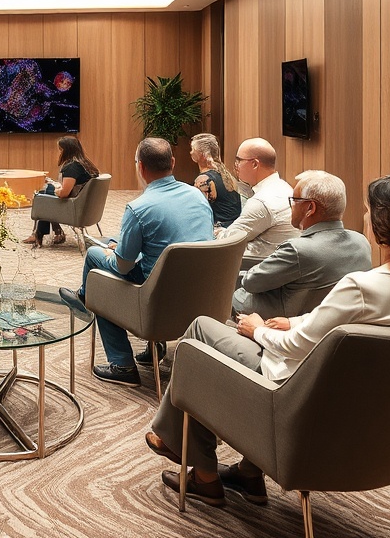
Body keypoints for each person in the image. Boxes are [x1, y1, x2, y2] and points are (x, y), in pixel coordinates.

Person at [145, 174, 390, 508]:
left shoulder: (361, 287)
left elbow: (296, 347)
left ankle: (199, 470)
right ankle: (247, 472)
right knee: (220, 341)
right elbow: (346, 320)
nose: (365, 218)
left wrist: (258, 330)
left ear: (386, 223)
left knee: (198, 334)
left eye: (369, 211)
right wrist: (294, 321)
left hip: (291, 400)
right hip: (378, 418)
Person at [61, 138, 213, 386]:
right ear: (172, 163)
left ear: (140, 167)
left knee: (96, 261)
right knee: (139, 252)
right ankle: (154, 347)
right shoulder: (197, 196)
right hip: (199, 294)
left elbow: (123, 267)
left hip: (155, 301)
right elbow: (177, 244)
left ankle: (121, 362)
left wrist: (115, 254)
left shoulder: (138, 208)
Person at [232, 170, 372, 320]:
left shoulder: (297, 250)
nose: (291, 206)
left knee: (231, 292)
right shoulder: (361, 242)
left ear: (310, 208)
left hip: (277, 323)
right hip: (331, 321)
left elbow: (251, 283)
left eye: (294, 200)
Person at [217, 137, 298, 258]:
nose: (236, 165)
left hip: (259, 267)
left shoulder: (262, 201)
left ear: (255, 164)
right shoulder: (284, 187)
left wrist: (216, 232)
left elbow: (228, 241)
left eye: (239, 160)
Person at [23, 136, 99, 247]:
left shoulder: (72, 167)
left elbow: (64, 193)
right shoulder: (86, 164)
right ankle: (55, 231)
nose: (58, 153)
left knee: (43, 197)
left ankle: (39, 234)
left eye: (60, 150)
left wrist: (57, 190)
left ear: (65, 151)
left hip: (75, 208)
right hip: (87, 207)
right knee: (48, 191)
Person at [189, 133, 241, 228]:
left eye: (193, 149)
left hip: (218, 233)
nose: (191, 152)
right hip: (235, 230)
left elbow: (198, 213)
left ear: (202, 154)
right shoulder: (228, 175)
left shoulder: (202, 180)